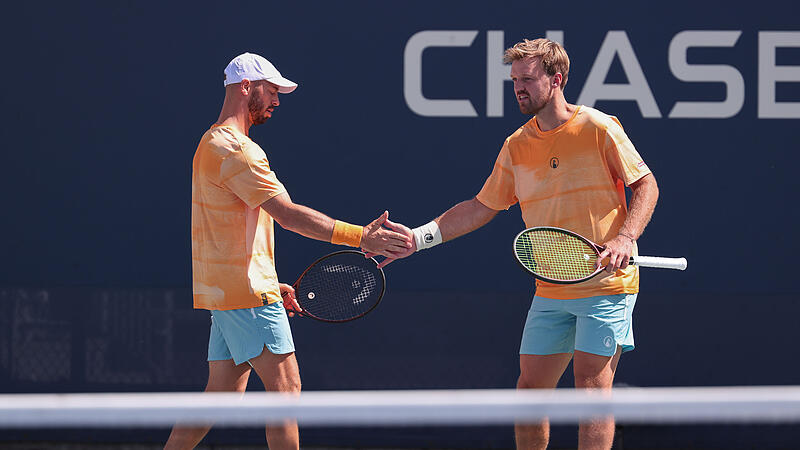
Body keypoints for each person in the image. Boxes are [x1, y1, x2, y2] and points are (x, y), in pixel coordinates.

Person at [373, 39, 659, 449]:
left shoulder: (598, 127)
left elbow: (646, 184)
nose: (519, 88)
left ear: (556, 80)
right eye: (514, 81)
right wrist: (417, 239)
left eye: (528, 79)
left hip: (605, 287)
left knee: (592, 390)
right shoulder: (516, 145)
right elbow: (480, 207)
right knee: (529, 394)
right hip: (552, 288)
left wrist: (626, 236)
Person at [164, 52, 411, 450]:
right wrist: (360, 237)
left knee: (220, 397)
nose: (278, 100)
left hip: (229, 293)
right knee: (286, 391)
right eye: (272, 90)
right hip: (246, 295)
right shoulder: (237, 150)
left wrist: (266, 281)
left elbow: (227, 232)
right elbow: (288, 214)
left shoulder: (210, 144)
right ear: (247, 87)